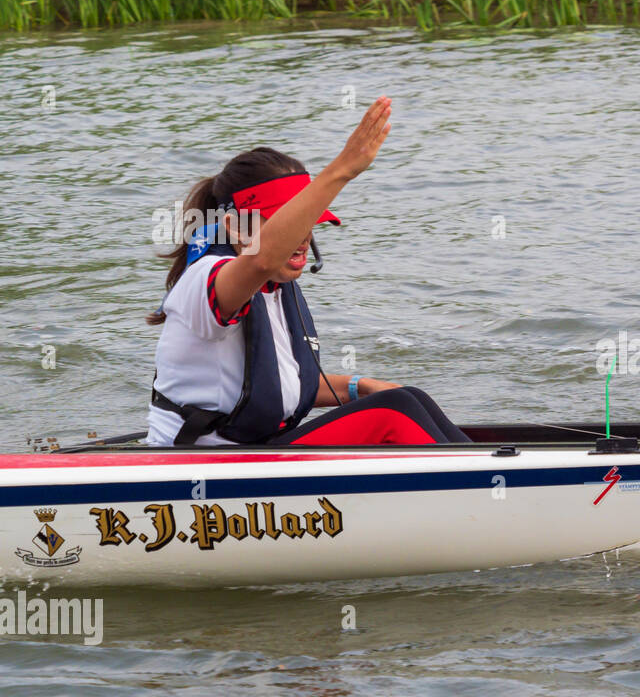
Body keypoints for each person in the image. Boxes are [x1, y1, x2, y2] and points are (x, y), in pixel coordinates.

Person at [146, 96, 469, 447]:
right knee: (394, 412)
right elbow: (261, 259)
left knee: (408, 397)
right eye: (287, 226)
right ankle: (482, 476)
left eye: (309, 223)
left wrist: (356, 387)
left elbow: (277, 385)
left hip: (259, 450)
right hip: (202, 460)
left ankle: (483, 464)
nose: (302, 238)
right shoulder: (206, 279)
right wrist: (342, 169)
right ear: (235, 227)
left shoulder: (274, 285)